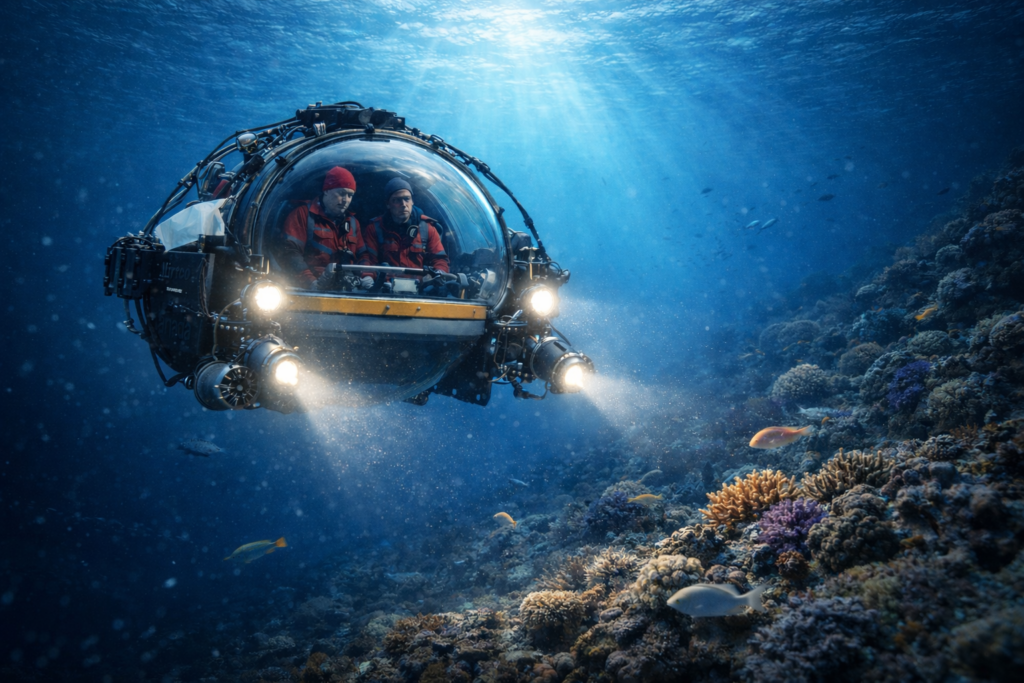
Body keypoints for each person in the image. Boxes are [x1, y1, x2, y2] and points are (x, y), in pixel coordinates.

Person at [275, 166, 373, 290]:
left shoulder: (353, 222)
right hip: (311, 290)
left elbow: (362, 255)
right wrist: (312, 284)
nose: (346, 200)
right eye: (341, 193)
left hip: (347, 290)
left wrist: (367, 276)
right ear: (326, 190)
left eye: (350, 195)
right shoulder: (303, 215)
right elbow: (290, 253)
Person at [360, 178, 449, 280]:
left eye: (407, 199)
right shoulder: (374, 229)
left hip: (420, 291)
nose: (403, 204)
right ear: (388, 204)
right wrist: (368, 278)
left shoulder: (427, 228)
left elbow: (440, 259)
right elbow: (369, 261)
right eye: (397, 200)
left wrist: (437, 275)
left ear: (412, 201)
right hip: (385, 291)